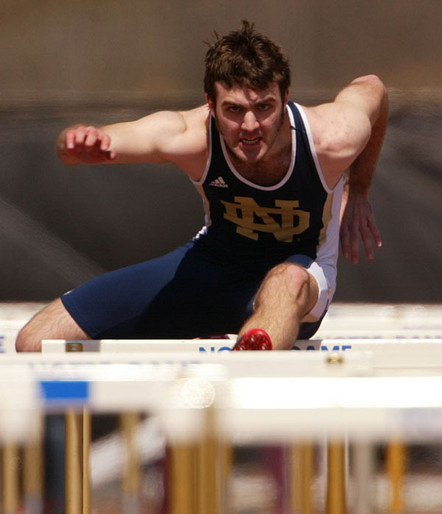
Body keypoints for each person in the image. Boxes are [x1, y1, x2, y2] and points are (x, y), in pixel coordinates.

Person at [16, 21, 388, 353]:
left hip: (298, 276)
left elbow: (373, 90)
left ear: (285, 96)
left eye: (264, 107)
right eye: (233, 110)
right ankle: (232, 345)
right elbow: (92, 146)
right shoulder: (192, 135)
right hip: (214, 264)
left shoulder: (331, 138)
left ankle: (245, 380)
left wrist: (360, 189)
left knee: (286, 280)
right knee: (35, 340)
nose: (250, 126)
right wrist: (76, 142)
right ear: (210, 104)